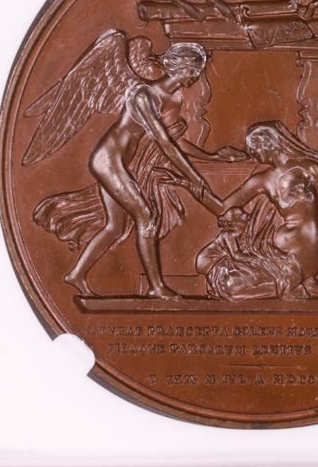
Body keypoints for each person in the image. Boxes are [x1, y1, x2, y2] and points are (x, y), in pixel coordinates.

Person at [27, 33, 238, 299]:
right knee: (146, 217)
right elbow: (163, 142)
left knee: (115, 227)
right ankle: (156, 287)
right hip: (108, 159)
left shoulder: (173, 100)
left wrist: (212, 157)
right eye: (194, 71)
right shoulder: (143, 94)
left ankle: (76, 274)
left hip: (119, 163)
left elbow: (176, 142)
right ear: (182, 67)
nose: (195, 77)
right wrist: (194, 177)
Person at [217, 121, 318, 299]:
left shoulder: (308, 168)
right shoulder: (262, 179)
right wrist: (197, 184)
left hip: (302, 257)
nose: (253, 154)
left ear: (269, 143)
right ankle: (295, 286)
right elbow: (223, 207)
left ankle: (293, 287)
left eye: (254, 148)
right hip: (272, 254)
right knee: (226, 281)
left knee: (233, 287)